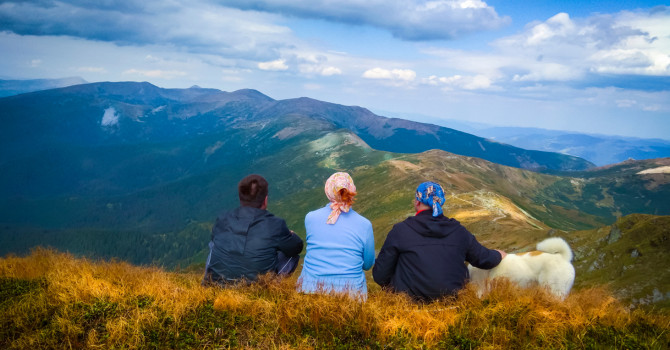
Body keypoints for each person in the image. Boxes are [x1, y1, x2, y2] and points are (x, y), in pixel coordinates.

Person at [372, 181, 506, 302]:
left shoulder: (400, 231)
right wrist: (499, 254)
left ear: (417, 202)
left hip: (409, 308)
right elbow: (484, 259)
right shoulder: (459, 231)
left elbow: (380, 275)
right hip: (453, 305)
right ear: (441, 202)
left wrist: (396, 289)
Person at [202, 174, 304, 286]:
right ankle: (273, 287)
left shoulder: (222, 219)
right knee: (290, 254)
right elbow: (296, 247)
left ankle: (209, 280)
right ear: (265, 200)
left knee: (213, 244)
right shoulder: (275, 225)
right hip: (257, 287)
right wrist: (290, 235)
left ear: (240, 198)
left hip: (218, 285)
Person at [298, 172, 375, 299]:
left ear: (328, 191)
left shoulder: (310, 218)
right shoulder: (365, 225)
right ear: (352, 190)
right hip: (351, 296)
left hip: (309, 291)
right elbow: (367, 265)